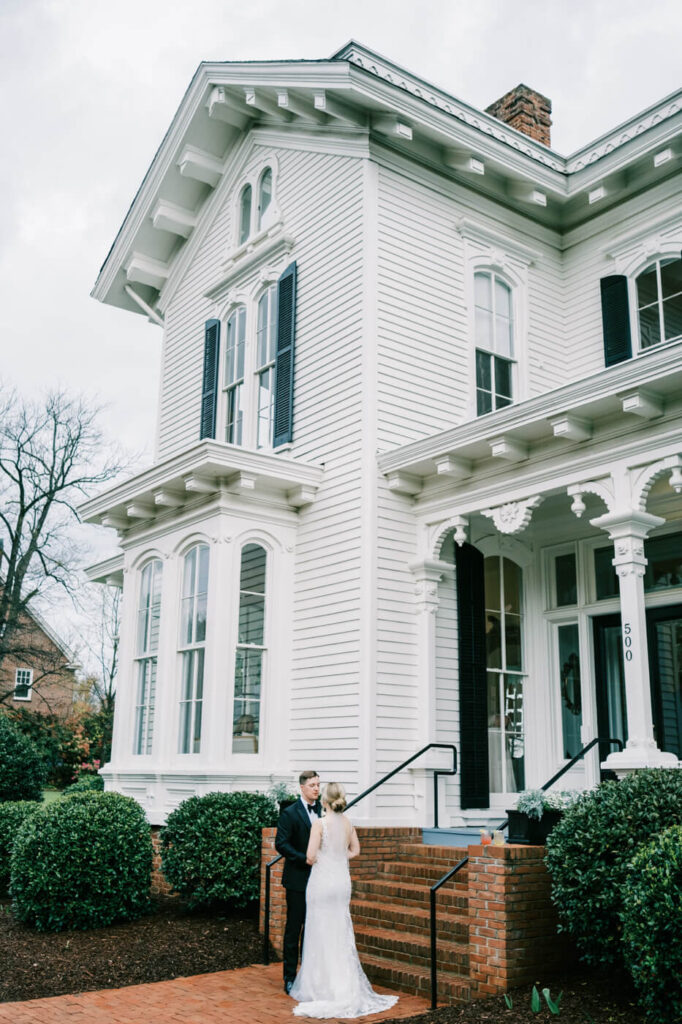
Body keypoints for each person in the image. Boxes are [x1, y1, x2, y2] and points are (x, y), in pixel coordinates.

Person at [290, 782, 399, 1019]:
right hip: (341, 883)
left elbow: (310, 856)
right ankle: (343, 985)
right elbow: (356, 851)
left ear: (324, 802)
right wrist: (338, 857)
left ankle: (320, 986)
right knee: (340, 930)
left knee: (319, 930)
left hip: (321, 883)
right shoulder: (348, 823)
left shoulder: (319, 824)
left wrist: (323, 858)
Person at [275, 770, 322, 993]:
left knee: (315, 928)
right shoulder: (290, 813)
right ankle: (290, 977)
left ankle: (312, 975)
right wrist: (303, 859)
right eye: (312, 785)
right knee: (295, 928)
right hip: (297, 879)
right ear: (302, 788)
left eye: (318, 784)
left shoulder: (324, 810)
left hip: (321, 878)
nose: (316, 788)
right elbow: (281, 844)